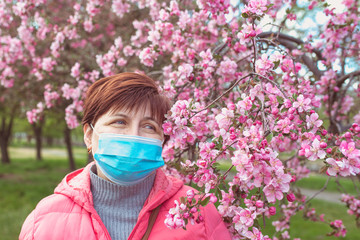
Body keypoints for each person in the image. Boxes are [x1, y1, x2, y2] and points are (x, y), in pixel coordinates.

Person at [19, 72, 231, 240]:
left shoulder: (196, 210)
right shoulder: (44, 220)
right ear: (89, 135)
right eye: (119, 122)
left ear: (162, 140)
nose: (133, 136)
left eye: (149, 126)